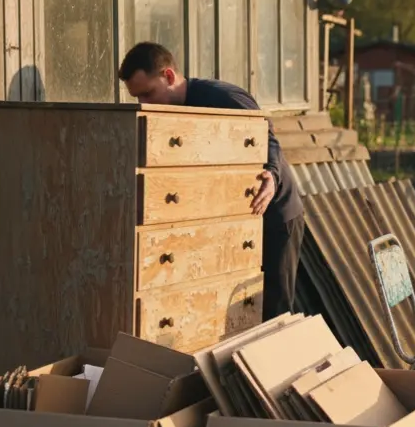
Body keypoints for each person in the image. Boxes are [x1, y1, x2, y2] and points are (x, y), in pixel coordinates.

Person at [117, 41, 304, 320]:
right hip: (235, 216)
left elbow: (267, 136)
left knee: (273, 310)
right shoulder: (164, 116)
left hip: (274, 212)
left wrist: (272, 177)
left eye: (148, 93)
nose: (144, 105)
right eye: (137, 98)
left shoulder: (222, 97)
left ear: (168, 76)